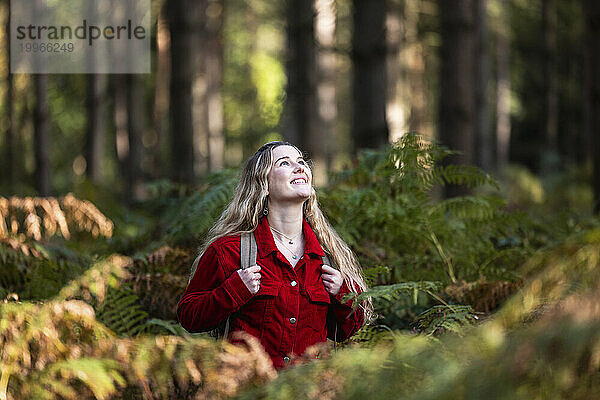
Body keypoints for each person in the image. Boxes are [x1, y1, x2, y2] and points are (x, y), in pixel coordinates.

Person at [177, 141, 372, 369]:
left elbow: (347, 330)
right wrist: (232, 291)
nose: (299, 167)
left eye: (301, 162)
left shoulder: (326, 257)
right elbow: (189, 316)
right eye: (284, 163)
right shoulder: (229, 251)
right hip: (251, 390)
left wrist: (343, 292)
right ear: (264, 185)